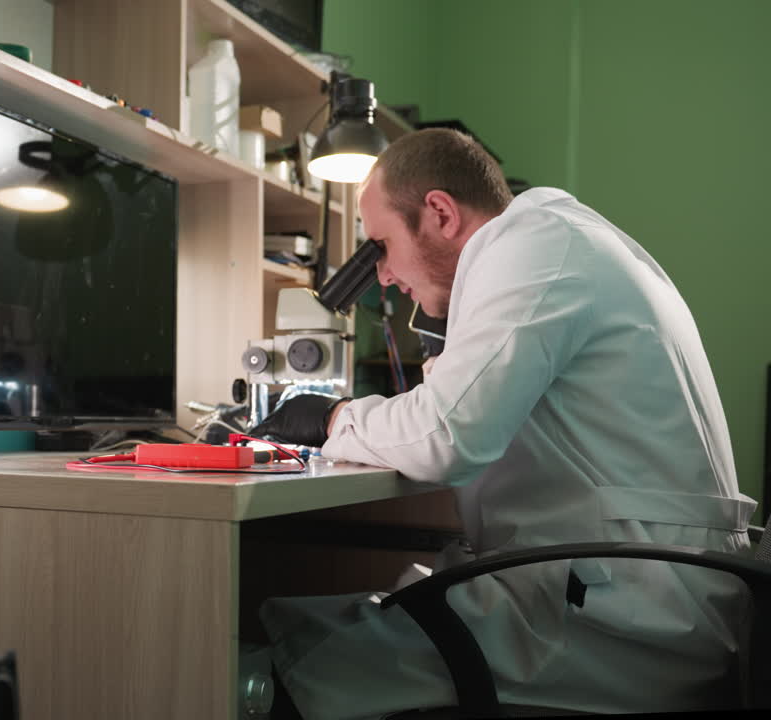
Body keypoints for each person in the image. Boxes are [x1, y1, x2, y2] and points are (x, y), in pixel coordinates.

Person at [250, 128, 756, 718]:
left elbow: (445, 436)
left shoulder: (537, 247)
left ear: (439, 212)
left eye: (380, 245)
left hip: (630, 620)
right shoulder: (557, 241)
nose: (381, 276)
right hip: (626, 588)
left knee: (283, 654)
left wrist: (332, 416)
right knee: (325, 620)